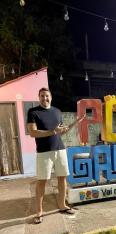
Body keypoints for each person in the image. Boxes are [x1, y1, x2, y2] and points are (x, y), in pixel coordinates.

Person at [27, 87, 85, 224]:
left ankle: (62, 205)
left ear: (51, 97)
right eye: (42, 96)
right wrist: (53, 131)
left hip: (60, 149)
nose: (44, 98)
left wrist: (75, 123)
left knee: (62, 178)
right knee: (42, 181)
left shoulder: (57, 112)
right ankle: (39, 211)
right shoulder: (33, 112)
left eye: (47, 96)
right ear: (39, 97)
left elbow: (61, 132)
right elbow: (32, 133)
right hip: (44, 152)